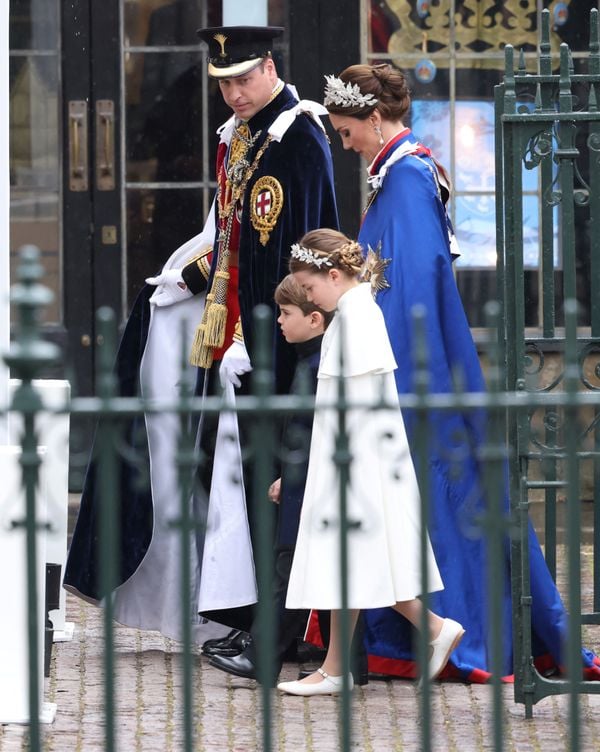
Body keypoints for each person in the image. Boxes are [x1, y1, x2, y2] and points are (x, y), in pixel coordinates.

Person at [322, 63, 600, 682]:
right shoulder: (402, 171)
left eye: (346, 132)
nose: (345, 144)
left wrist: (386, 365)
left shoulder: (408, 178)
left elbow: (413, 285)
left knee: (438, 498)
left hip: (411, 367)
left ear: (373, 118)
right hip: (410, 361)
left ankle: (459, 632)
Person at [63, 25, 339, 649]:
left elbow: (302, 245)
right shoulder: (241, 135)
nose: (235, 93)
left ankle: (281, 630)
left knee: (270, 478)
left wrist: (262, 327)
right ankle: (244, 612)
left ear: (270, 67)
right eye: (225, 84)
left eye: (244, 79)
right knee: (231, 475)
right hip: (234, 331)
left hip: (276, 336)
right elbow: (233, 235)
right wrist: (183, 279)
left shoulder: (298, 137)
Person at [277, 229, 465, 696]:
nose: (310, 298)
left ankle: (418, 635)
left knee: (355, 557)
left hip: (355, 459)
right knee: (356, 561)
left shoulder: (358, 315)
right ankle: (347, 663)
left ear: (334, 275)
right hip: (353, 456)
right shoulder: (352, 310)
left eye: (311, 287)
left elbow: (357, 402)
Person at [207, 274, 332, 683]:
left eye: (287, 313)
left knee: (290, 564)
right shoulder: (312, 361)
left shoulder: (316, 367)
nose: (279, 321)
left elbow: (312, 433)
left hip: (310, 482)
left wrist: (290, 477)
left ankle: (263, 656)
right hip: (303, 478)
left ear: (315, 319)